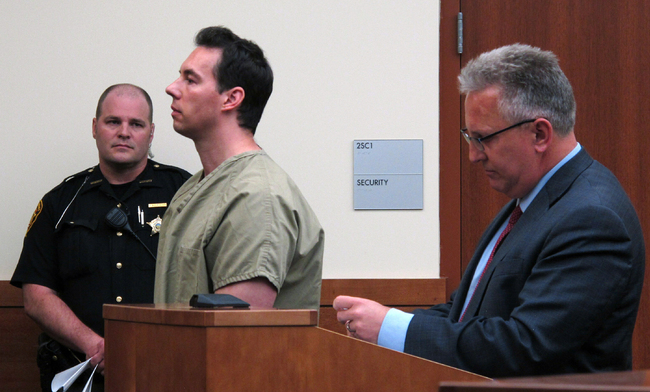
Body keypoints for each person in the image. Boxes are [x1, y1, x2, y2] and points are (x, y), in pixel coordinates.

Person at [334, 44, 645, 377]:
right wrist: (387, 323)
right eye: (469, 136)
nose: (473, 155)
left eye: (484, 138)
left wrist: (394, 329)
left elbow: (525, 347)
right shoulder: (530, 202)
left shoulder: (592, 218)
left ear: (539, 133)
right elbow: (464, 314)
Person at [11, 83, 191, 391]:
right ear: (95, 128)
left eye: (136, 124)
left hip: (166, 368)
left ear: (150, 133)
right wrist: (95, 346)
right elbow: (37, 296)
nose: (124, 132)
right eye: (113, 122)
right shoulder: (60, 201)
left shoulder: (184, 193)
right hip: (78, 371)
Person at [154, 26, 324, 310]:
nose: (172, 88)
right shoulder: (197, 186)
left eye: (190, 80)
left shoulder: (257, 196)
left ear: (231, 99)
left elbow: (236, 341)